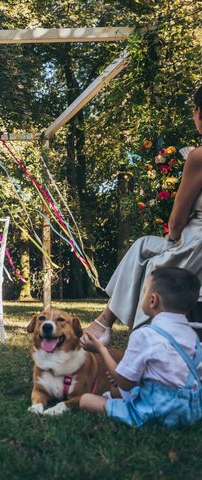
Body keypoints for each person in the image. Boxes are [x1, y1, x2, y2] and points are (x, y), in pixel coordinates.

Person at [84, 84, 202, 345]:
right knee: (142, 245)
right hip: (195, 240)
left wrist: (173, 235)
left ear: (199, 112)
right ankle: (105, 321)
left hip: (196, 244)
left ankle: (139, 342)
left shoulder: (198, 156)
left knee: (153, 268)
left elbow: (176, 219)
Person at [79, 267, 202, 428]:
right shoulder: (192, 336)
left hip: (154, 411)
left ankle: (130, 413)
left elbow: (125, 383)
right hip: (189, 413)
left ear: (153, 300)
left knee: (86, 400)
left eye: (143, 292)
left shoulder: (144, 335)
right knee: (115, 392)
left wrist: (100, 350)